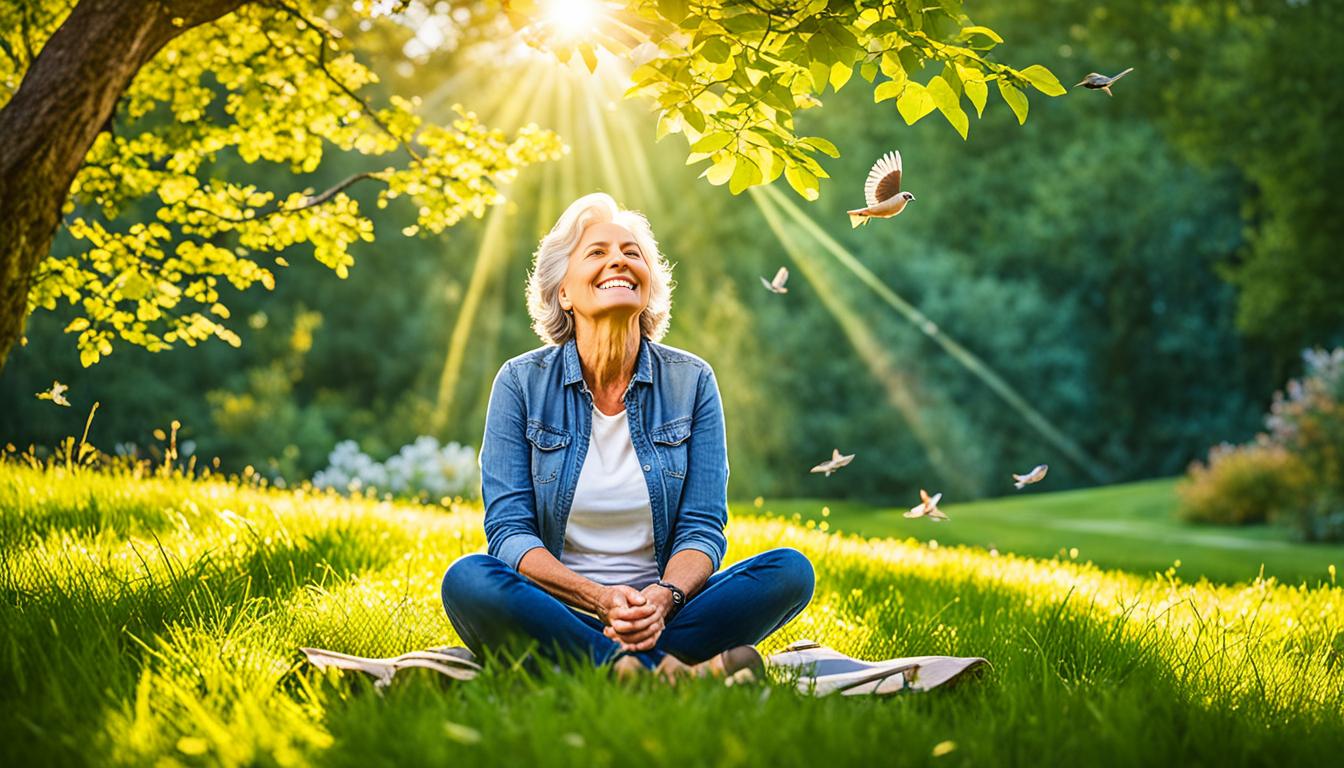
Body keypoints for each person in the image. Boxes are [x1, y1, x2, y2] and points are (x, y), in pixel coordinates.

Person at [441, 192, 814, 682]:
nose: (619, 259)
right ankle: (663, 671)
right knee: (468, 579)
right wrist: (599, 599)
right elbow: (509, 534)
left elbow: (702, 528)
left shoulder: (692, 381)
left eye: (632, 252)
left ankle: (611, 667)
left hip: (667, 616)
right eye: (596, 252)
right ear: (564, 293)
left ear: (648, 285)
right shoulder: (519, 382)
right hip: (558, 612)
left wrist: (661, 600)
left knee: (789, 571)